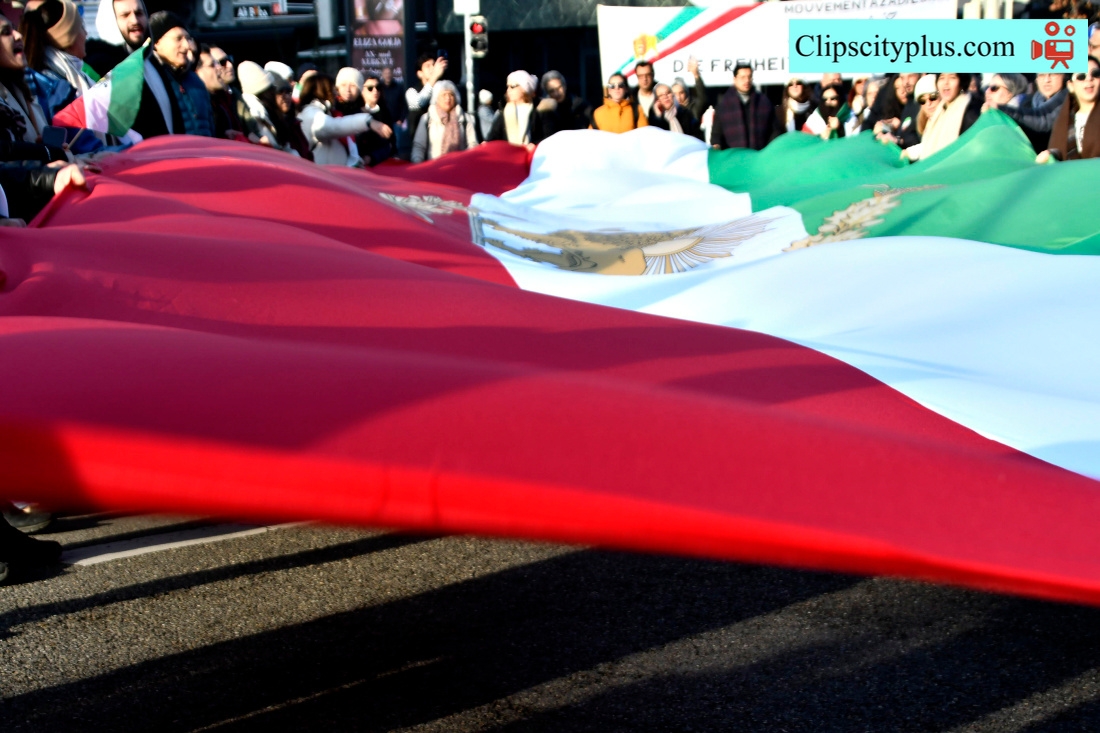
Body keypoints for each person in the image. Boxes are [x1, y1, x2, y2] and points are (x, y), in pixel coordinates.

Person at [129, 12, 214, 140]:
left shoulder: (196, 82)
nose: (187, 46)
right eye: (178, 39)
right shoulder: (149, 81)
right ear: (156, 43)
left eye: (188, 38)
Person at [299, 72, 388, 165]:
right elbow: (333, 127)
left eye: (352, 85)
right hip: (320, 171)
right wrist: (366, 121)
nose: (335, 93)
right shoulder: (312, 113)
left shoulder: (328, 112)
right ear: (323, 91)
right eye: (333, 89)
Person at [1040, 56, 1100, 161]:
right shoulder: (1064, 121)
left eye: (1095, 74)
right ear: (1071, 86)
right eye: (1081, 76)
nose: (1089, 79)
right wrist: (1051, 154)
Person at [994, 72, 1068, 153]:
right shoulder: (1031, 101)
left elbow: (1043, 119)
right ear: (1036, 79)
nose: (1047, 80)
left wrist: (1000, 109)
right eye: (1042, 75)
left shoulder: (1067, 97)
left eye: (1053, 74)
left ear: (1064, 76)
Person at [711, 63, 779, 150]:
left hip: (759, 155)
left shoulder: (764, 103)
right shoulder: (724, 105)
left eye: (749, 77)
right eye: (742, 77)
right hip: (734, 156)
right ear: (735, 79)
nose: (747, 80)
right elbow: (716, 135)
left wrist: (769, 150)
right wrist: (717, 147)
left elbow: (775, 130)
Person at [918, 73, 983, 159]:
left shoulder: (971, 110)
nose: (946, 83)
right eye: (942, 78)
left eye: (952, 77)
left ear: (961, 82)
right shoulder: (940, 111)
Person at [411, 79, 477, 162]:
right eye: (444, 95)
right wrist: (417, 164)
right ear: (436, 98)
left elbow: (472, 144)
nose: (448, 98)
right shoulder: (427, 118)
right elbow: (419, 146)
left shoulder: (465, 118)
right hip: (435, 167)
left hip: (460, 166)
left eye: (451, 94)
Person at [237, 60, 295, 152]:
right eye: (279, 91)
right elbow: (272, 150)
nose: (285, 96)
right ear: (265, 92)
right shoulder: (256, 114)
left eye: (288, 92)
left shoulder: (267, 112)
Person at [195, 45, 247, 140]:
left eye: (218, 63)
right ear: (197, 72)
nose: (219, 68)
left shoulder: (222, 101)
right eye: (212, 65)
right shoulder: (197, 105)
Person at [85, 0, 147, 77]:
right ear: (111, 22)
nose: (135, 21)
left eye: (139, 13)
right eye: (125, 15)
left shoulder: (152, 56)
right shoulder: (99, 67)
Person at [487, 70, 545, 147]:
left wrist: (534, 145)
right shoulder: (504, 113)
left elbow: (547, 137)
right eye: (507, 87)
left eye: (512, 86)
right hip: (509, 153)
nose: (508, 90)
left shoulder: (539, 110)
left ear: (524, 88)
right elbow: (493, 138)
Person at [405, 50, 447, 153]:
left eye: (433, 65)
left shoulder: (444, 89)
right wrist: (434, 77)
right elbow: (419, 103)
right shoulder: (411, 92)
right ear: (419, 73)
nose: (432, 68)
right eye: (428, 66)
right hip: (420, 146)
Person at [356, 72, 396, 165]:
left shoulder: (385, 112)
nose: (375, 91)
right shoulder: (355, 112)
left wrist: (372, 157)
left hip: (381, 163)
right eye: (370, 88)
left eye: (378, 87)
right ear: (362, 90)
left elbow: (390, 144)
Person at [537, 70, 591, 136]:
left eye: (559, 88)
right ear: (547, 93)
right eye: (552, 91)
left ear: (565, 86)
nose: (556, 94)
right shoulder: (545, 111)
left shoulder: (580, 105)